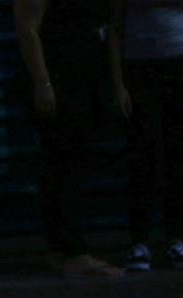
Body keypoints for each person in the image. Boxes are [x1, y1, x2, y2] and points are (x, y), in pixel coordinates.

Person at [14, 0, 124, 278]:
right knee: (65, 163)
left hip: (83, 75)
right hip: (60, 77)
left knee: (64, 163)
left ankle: (61, 250)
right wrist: (43, 83)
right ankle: (74, 252)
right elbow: (27, 28)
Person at [107, 0, 183, 271]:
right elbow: (115, 28)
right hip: (139, 69)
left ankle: (177, 238)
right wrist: (119, 86)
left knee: (177, 155)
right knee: (143, 155)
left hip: (178, 63)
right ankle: (140, 241)